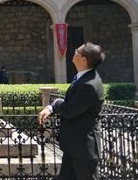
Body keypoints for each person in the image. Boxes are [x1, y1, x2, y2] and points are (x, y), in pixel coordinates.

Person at [38, 42, 105, 180]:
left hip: (83, 149)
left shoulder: (89, 85)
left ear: (83, 60)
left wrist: (55, 104)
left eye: (76, 51)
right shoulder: (85, 77)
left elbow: (69, 110)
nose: (73, 52)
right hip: (75, 147)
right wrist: (51, 108)